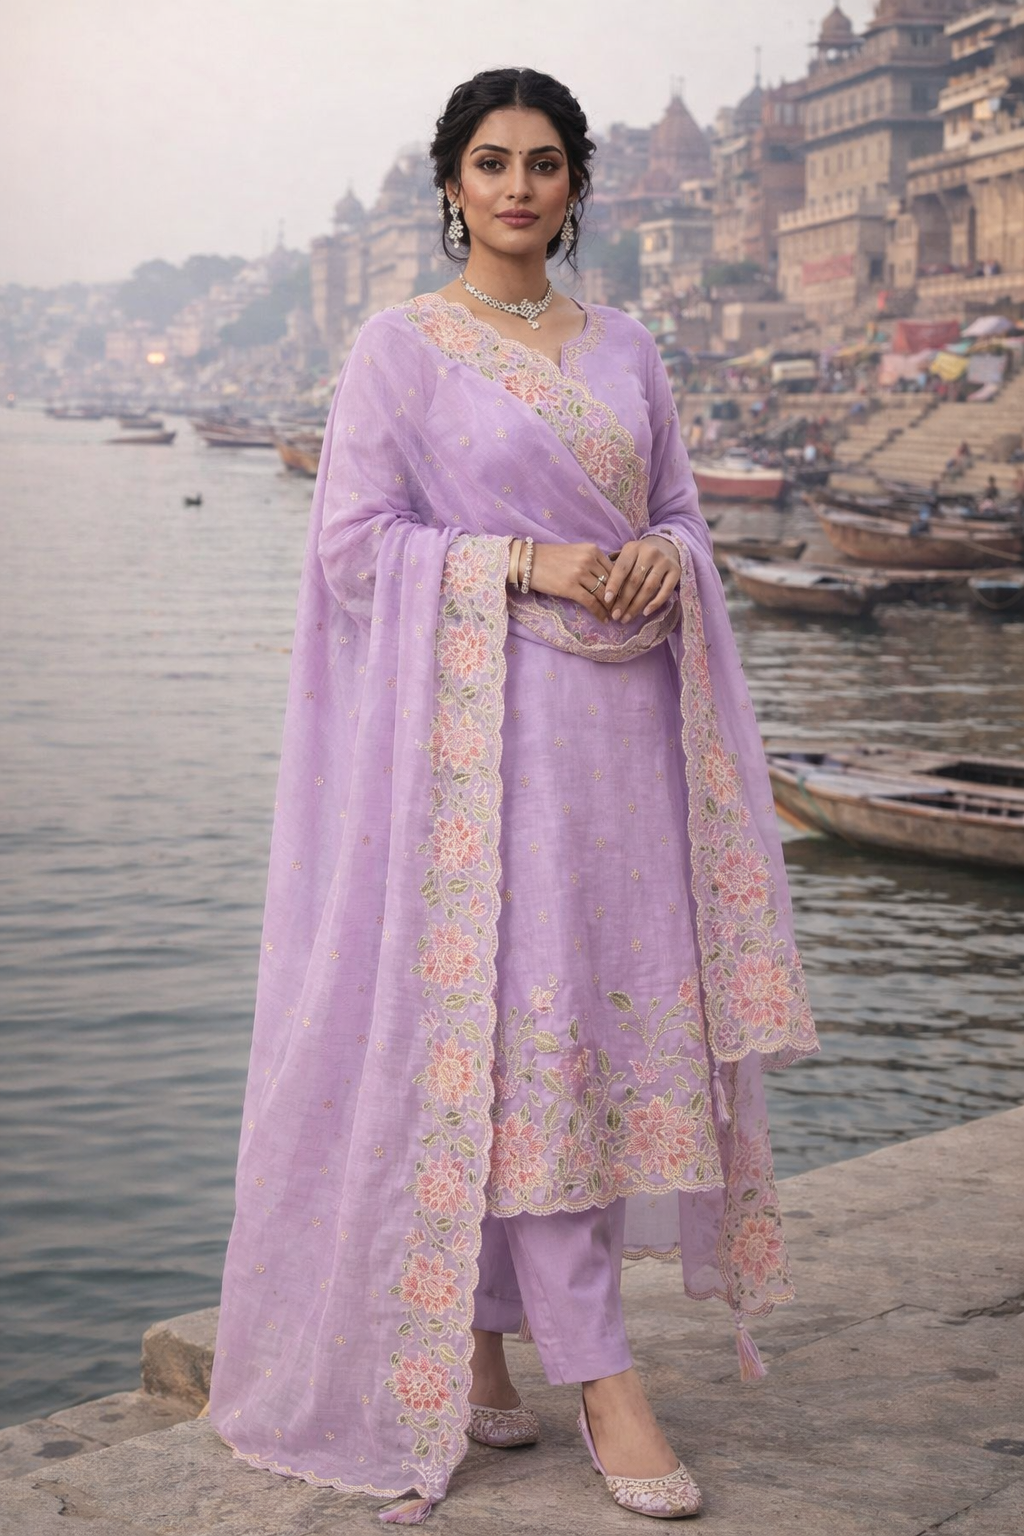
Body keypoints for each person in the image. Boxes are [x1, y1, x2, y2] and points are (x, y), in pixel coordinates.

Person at [206, 67, 819, 1526]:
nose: (521, 188)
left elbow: (673, 507)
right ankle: (602, 1379)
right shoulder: (400, 352)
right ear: (452, 186)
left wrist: (674, 554)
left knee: (584, 1047)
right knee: (522, 1050)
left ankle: (481, 1347)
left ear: (577, 185)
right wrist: (520, 563)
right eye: (493, 163)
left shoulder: (629, 348)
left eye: (545, 163)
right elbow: (355, 549)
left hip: (623, 749)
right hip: (487, 755)